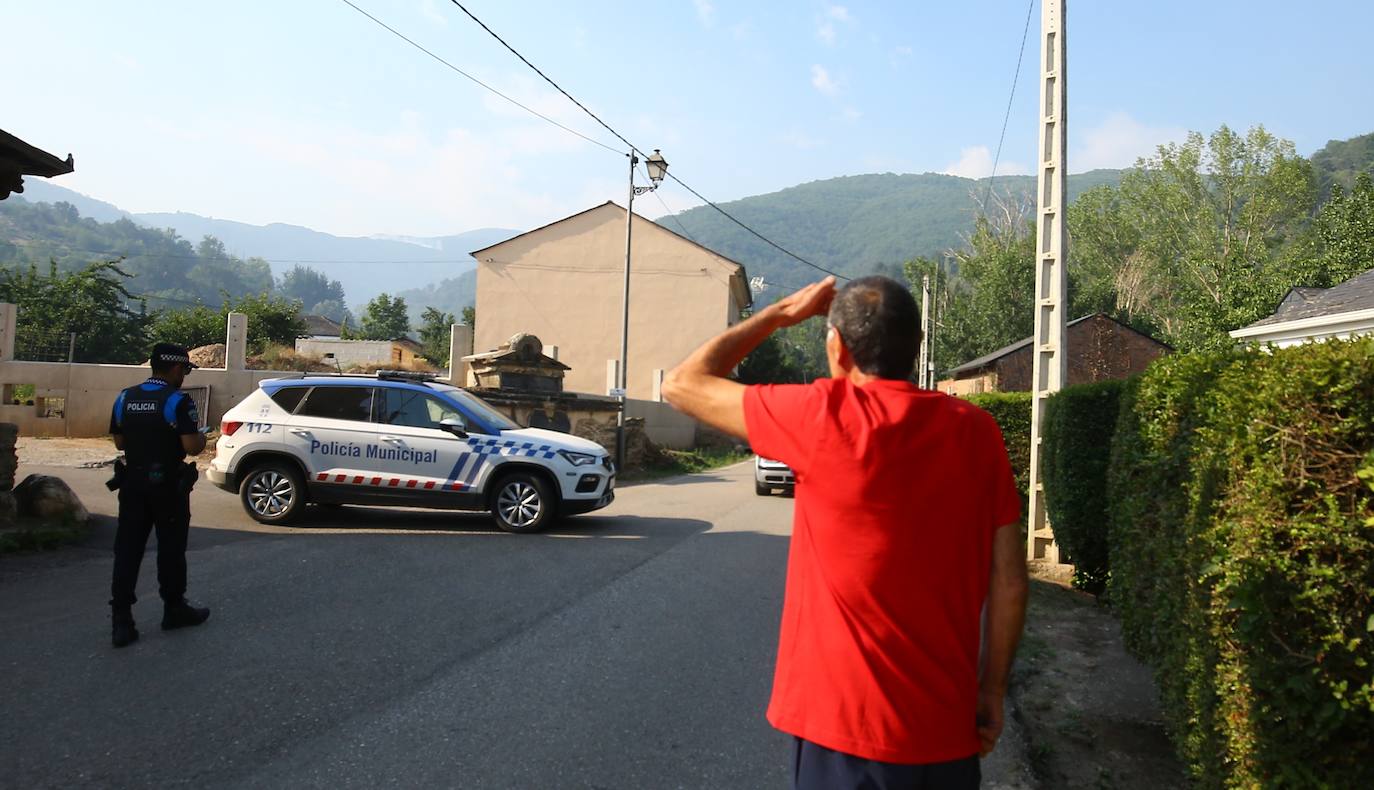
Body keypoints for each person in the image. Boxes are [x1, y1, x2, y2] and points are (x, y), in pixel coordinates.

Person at [662, 275, 1028, 789]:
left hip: (843, 732)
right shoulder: (978, 432)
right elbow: (1010, 583)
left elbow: (681, 383)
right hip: (945, 730)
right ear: (916, 347)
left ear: (837, 346)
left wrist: (778, 315)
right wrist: (991, 691)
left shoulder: (823, 416)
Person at [108, 342, 211, 648]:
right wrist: (202, 436)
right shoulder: (178, 401)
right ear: (177, 369)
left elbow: (119, 442)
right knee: (170, 549)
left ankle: (122, 621)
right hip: (167, 486)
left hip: (133, 484)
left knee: (127, 550)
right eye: (185, 371)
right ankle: (174, 609)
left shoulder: (125, 397)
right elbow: (192, 446)